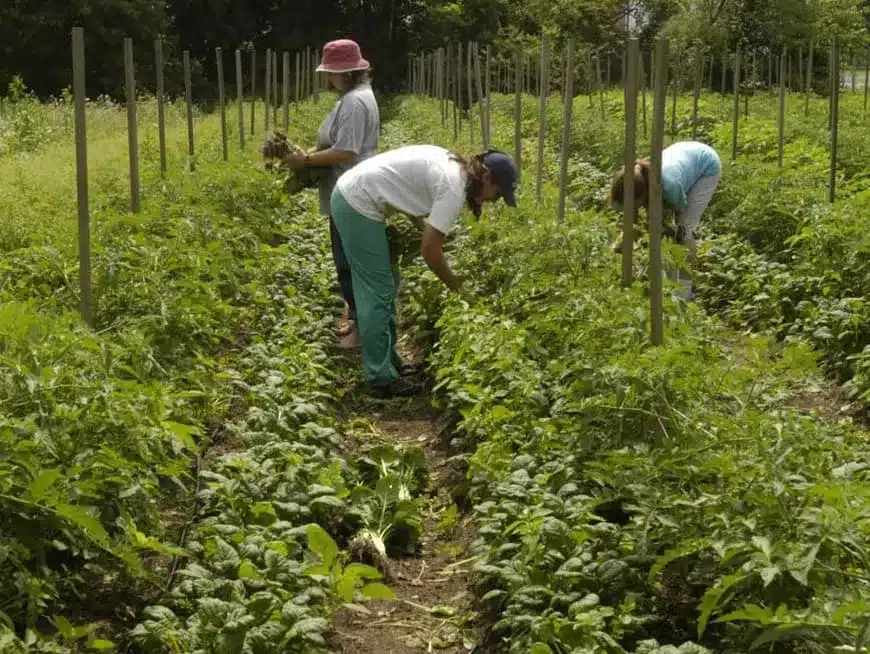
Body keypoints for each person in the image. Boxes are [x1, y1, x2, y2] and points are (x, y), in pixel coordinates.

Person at [331, 145, 519, 398]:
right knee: (377, 291)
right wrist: (459, 287)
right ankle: (379, 378)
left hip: (356, 194)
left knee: (388, 285)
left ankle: (390, 362)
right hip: (357, 203)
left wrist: (425, 230)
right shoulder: (453, 188)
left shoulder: (453, 165)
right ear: (486, 177)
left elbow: (408, 192)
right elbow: (430, 252)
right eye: (496, 193)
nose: (493, 201)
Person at [282, 39, 380, 348]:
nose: (328, 77)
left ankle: (361, 329)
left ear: (347, 73)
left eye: (332, 72)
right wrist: (308, 154)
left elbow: (345, 151)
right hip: (350, 188)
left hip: (351, 190)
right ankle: (357, 322)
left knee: (349, 261)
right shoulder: (357, 96)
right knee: (347, 259)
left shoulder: (353, 103)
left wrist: (306, 160)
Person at [610, 140, 722, 300]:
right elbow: (632, 222)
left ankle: (685, 290)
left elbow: (678, 216)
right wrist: (615, 251)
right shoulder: (636, 179)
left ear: (643, 196)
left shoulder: (670, 187)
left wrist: (670, 232)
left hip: (706, 165)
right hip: (684, 155)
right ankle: (672, 279)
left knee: (684, 230)